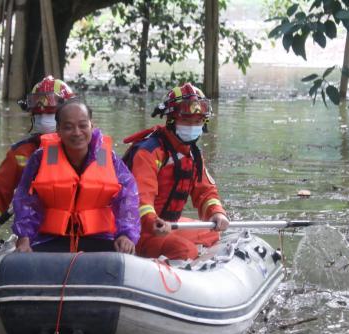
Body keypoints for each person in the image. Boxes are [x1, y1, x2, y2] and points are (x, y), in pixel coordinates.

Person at [12, 100, 140, 254]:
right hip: (50, 239)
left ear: (92, 126)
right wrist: (24, 237)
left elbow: (128, 198)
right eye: (68, 127)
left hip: (100, 238)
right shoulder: (40, 158)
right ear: (58, 130)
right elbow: (25, 199)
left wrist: (126, 235)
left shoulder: (108, 158)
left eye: (83, 125)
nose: (77, 132)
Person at [123, 83, 229, 260]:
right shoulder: (149, 152)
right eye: (186, 121)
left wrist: (217, 213)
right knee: (185, 251)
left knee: (212, 233)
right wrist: (152, 222)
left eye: (197, 121)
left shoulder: (193, 154)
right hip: (139, 230)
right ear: (171, 120)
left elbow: (205, 191)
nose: (192, 126)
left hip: (168, 225)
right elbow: (140, 199)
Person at [0, 76, 75, 249]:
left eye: (50, 113)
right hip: (37, 237)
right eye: (39, 114)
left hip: (82, 236)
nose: (44, 119)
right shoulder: (21, 153)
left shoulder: (88, 149)